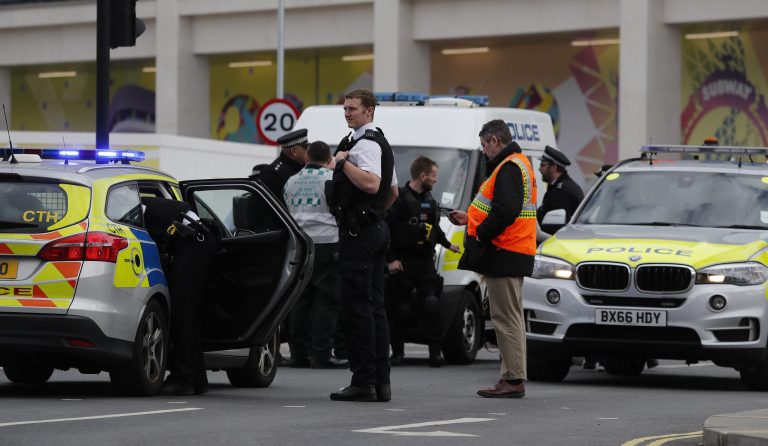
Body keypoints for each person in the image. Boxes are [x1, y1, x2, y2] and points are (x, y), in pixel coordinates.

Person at [448, 119, 537, 399]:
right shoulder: (517, 163)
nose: (484, 151)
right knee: (510, 317)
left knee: (505, 318)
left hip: (504, 251)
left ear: (494, 142)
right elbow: (502, 209)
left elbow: (505, 211)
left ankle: (512, 379)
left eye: (484, 145)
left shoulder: (508, 167)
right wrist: (471, 219)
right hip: (513, 250)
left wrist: (483, 233)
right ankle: (511, 376)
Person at [328, 88, 398, 403]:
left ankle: (364, 381)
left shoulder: (365, 143)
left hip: (361, 235)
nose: (347, 113)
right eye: (345, 109)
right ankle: (380, 382)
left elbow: (371, 182)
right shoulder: (379, 141)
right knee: (375, 309)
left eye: (353, 109)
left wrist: (342, 165)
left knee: (359, 310)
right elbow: (392, 191)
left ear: (369, 111)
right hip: (374, 230)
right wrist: (376, 214)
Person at [385, 156, 460, 367]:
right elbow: (386, 231)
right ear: (423, 175)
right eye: (434, 176)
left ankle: (435, 353)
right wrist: (390, 259)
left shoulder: (430, 201)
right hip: (403, 262)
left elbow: (434, 229)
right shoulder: (399, 199)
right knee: (401, 309)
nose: (436, 181)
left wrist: (448, 245)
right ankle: (397, 353)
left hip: (425, 261)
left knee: (431, 303)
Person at [142, 197, 220, 396]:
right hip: (199, 242)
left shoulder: (135, 207)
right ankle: (198, 380)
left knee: (182, 314)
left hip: (194, 245)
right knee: (188, 316)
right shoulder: (146, 203)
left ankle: (183, 379)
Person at [282, 140, 348, 369]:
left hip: (300, 244)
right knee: (327, 301)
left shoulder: (291, 181)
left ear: (307, 157)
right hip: (327, 243)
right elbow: (339, 208)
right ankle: (320, 354)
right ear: (329, 159)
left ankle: (298, 353)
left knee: (301, 300)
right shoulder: (330, 179)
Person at [251, 128, 309, 202]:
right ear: (294, 151)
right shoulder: (273, 174)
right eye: (305, 148)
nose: (308, 151)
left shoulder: (300, 168)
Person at [536, 145, 584, 227]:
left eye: (543, 165)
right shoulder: (558, 187)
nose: (539, 169)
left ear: (554, 167)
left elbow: (555, 226)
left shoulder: (562, 191)